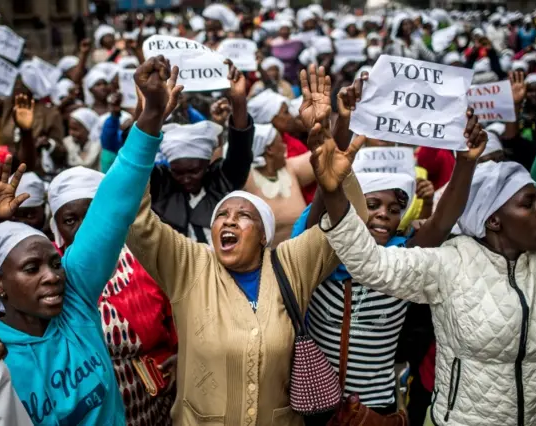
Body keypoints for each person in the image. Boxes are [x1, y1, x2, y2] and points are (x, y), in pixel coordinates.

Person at [124, 64, 367, 426]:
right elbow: (136, 219)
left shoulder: (290, 265)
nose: (230, 220)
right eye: (222, 215)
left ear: (265, 236)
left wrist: (329, 142)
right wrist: (148, 120)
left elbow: (350, 225)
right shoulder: (190, 267)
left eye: (244, 215)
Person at [0, 56, 181, 425]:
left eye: (54, 262)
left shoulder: (76, 303)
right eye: (31, 268)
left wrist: (150, 115)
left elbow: (115, 203)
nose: (53, 275)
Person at [316, 149, 536, 424]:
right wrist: (333, 190)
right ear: (493, 220)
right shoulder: (448, 262)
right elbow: (371, 261)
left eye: (395, 210)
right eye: (529, 203)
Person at [47, 166, 177, 425]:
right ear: (56, 226)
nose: (84, 230)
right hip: (87, 407)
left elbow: (181, 315)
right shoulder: (47, 269)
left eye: (93, 215)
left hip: (153, 397)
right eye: (70, 220)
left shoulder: (145, 257)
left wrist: (184, 355)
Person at [147, 62, 254, 243]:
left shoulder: (222, 180)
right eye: (178, 172)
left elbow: (240, 152)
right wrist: (152, 109)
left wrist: (238, 101)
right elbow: (136, 157)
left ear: (207, 164)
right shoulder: (161, 185)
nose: (186, 178)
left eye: (194, 171)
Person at [243, 123, 315, 246]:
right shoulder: (246, 179)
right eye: (281, 142)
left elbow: (323, 153)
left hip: (303, 255)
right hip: (269, 262)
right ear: (269, 150)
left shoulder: (290, 168)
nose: (285, 146)